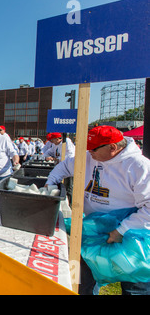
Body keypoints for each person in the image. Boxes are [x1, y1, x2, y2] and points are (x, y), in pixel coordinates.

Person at [46, 125, 150, 295]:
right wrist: (50, 183)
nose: (89, 153)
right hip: (95, 231)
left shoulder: (139, 167)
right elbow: (64, 167)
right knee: (83, 280)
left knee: (134, 285)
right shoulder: (89, 157)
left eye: (93, 149)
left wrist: (121, 230)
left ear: (113, 147)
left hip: (131, 237)